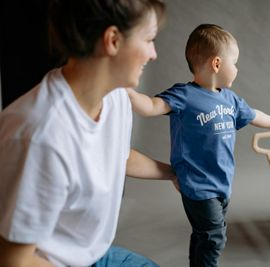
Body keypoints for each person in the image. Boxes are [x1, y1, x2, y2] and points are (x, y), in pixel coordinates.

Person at [0, 0, 176, 266]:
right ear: (113, 40)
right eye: (149, 39)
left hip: (90, 256)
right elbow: (15, 262)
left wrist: (175, 172)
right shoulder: (40, 136)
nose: (154, 54)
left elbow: (119, 155)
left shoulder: (115, 95)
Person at [126, 24, 270, 267]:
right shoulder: (184, 95)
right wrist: (127, 92)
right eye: (234, 63)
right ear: (217, 64)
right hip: (198, 186)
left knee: (204, 235)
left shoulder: (230, 99)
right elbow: (151, 106)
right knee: (215, 237)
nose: (236, 69)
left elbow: (253, 114)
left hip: (221, 184)